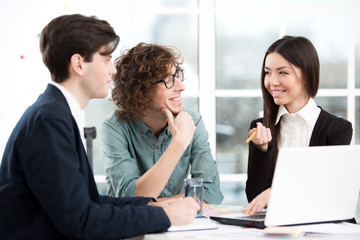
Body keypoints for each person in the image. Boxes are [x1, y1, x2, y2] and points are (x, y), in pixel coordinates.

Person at [0, 14, 199, 240]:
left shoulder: (55, 112)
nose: (113, 70)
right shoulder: (50, 120)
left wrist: (156, 206)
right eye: (106, 60)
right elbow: (81, 220)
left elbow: (88, 201)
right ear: (78, 64)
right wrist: (165, 217)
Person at [243, 36, 353, 216]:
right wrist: (262, 149)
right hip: (278, 229)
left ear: (307, 75)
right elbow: (255, 199)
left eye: (283, 72)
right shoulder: (261, 127)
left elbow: (329, 195)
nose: (272, 82)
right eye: (267, 72)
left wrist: (275, 192)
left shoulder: (338, 129)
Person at [101, 42, 223, 204]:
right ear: (141, 92)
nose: (181, 86)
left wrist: (155, 204)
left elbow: (211, 194)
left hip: (181, 223)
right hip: (133, 227)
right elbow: (130, 198)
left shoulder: (192, 121)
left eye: (177, 76)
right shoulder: (114, 128)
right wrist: (178, 143)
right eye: (167, 80)